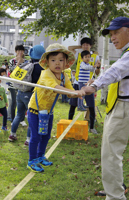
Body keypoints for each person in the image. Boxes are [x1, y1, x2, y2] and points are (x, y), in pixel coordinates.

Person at [81, 17, 129, 200]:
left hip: (124, 109)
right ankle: (115, 190)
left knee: (111, 155)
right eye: (111, 35)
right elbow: (117, 72)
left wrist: (94, 86)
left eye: (116, 33)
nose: (113, 38)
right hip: (121, 108)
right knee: (110, 153)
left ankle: (116, 196)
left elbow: (116, 71)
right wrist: (97, 81)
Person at [27, 43, 85, 172]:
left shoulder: (64, 76)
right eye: (53, 60)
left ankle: (41, 156)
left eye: (60, 60)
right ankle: (32, 160)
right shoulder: (46, 74)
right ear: (47, 62)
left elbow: (70, 90)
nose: (57, 63)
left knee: (46, 136)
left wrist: (79, 93)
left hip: (48, 112)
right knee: (36, 136)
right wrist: (74, 93)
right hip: (34, 110)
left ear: (66, 63)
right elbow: (55, 87)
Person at [8, 45, 45, 145]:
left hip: (20, 92)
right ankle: (28, 140)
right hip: (31, 95)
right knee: (32, 117)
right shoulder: (41, 68)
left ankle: (12, 134)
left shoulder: (26, 64)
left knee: (19, 114)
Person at [68, 37, 101, 134]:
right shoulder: (79, 55)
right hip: (77, 83)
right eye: (84, 44)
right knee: (73, 104)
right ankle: (69, 123)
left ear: (91, 45)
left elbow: (97, 72)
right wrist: (82, 46)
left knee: (91, 105)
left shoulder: (95, 56)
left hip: (88, 85)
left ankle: (92, 127)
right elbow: (70, 48)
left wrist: (97, 67)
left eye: (87, 44)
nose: (85, 46)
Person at [7, 45, 28, 123]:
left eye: (21, 50)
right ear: (16, 51)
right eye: (18, 50)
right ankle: (13, 119)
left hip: (22, 85)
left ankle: (21, 119)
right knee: (13, 102)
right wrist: (18, 62)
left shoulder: (26, 62)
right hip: (13, 85)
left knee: (23, 102)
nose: (20, 52)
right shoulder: (12, 61)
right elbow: (12, 71)